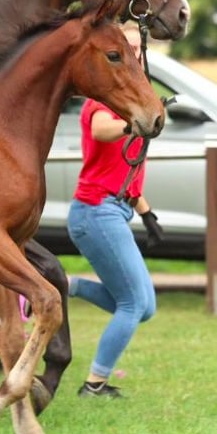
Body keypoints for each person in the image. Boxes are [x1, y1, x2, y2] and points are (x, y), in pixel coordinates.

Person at [66, 22, 163, 398]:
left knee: (146, 307)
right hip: (95, 212)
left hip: (115, 209)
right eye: (129, 49)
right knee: (133, 303)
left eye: (139, 49)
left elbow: (124, 171)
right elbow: (102, 130)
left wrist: (147, 212)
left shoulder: (132, 97)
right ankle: (94, 385)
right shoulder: (104, 99)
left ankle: (65, 285)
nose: (134, 55)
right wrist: (131, 125)